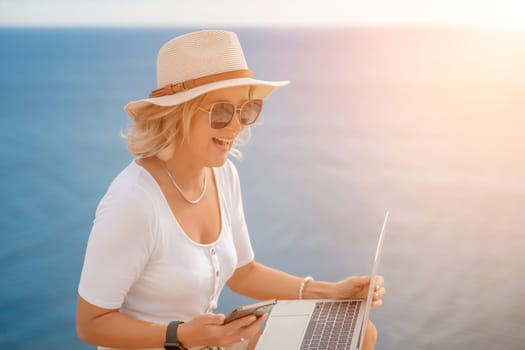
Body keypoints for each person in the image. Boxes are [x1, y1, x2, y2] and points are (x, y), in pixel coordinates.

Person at [76, 29, 386, 350]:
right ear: (177, 115)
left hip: (207, 343)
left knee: (362, 333)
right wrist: (180, 335)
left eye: (247, 109)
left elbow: (243, 272)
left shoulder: (222, 174)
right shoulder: (133, 202)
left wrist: (329, 292)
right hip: (175, 343)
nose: (238, 125)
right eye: (222, 111)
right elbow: (90, 323)